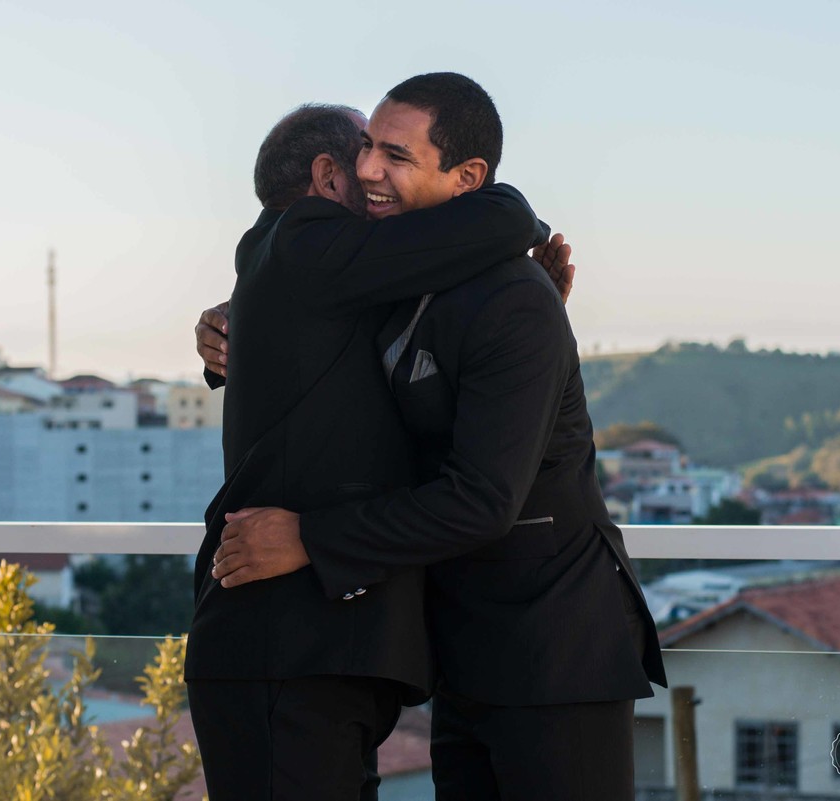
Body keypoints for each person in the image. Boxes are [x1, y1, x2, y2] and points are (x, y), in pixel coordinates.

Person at [204, 73, 667, 801]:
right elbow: (314, 341)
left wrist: (309, 537)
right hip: (455, 653)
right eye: (364, 151)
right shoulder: (383, 280)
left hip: (552, 647)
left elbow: (482, 497)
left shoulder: (509, 297)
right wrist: (228, 331)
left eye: (391, 155)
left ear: (467, 179)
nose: (368, 171)